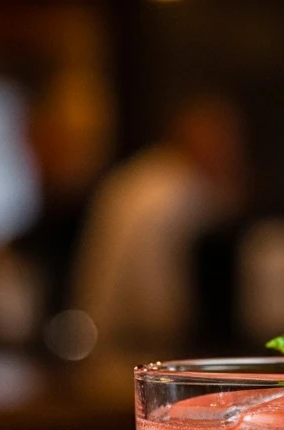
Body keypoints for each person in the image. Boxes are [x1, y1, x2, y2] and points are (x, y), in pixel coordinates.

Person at [73, 95, 246, 362]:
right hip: (135, 343)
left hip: (102, 332)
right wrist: (176, 335)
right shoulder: (174, 190)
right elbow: (153, 285)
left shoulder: (143, 174)